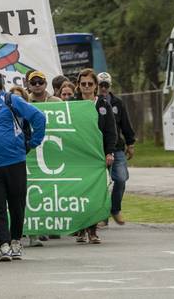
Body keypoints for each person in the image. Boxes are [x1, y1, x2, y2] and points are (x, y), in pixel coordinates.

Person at [0, 69, 46, 261]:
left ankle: (15, 241)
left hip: (14, 162)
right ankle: (3, 245)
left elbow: (39, 117)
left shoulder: (11, 100)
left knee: (16, 205)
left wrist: (32, 142)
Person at [75, 68, 116, 244]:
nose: (86, 87)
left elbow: (110, 131)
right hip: (77, 155)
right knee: (78, 192)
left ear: (96, 86)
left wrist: (109, 152)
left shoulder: (103, 105)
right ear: (78, 86)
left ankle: (92, 231)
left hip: (97, 155)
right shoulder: (72, 104)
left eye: (90, 84)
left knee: (96, 193)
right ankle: (81, 229)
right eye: (83, 84)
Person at [96, 72, 135, 226]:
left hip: (117, 147)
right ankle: (101, 216)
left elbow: (125, 124)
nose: (104, 88)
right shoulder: (93, 103)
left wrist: (130, 143)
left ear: (110, 86)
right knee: (101, 184)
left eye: (106, 85)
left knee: (121, 178)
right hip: (97, 149)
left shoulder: (118, 103)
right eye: (101, 85)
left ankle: (115, 209)